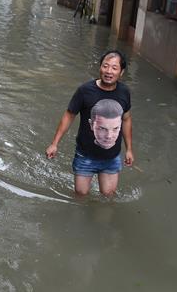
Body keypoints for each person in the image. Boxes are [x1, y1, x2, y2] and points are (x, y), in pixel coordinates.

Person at [46, 50, 133, 196]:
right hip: (85, 155)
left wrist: (129, 149)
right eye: (105, 66)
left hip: (111, 157)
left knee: (109, 195)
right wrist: (55, 143)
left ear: (121, 72)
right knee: (81, 195)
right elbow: (69, 115)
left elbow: (126, 119)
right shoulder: (85, 91)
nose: (108, 71)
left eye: (114, 68)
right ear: (100, 67)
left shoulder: (124, 92)